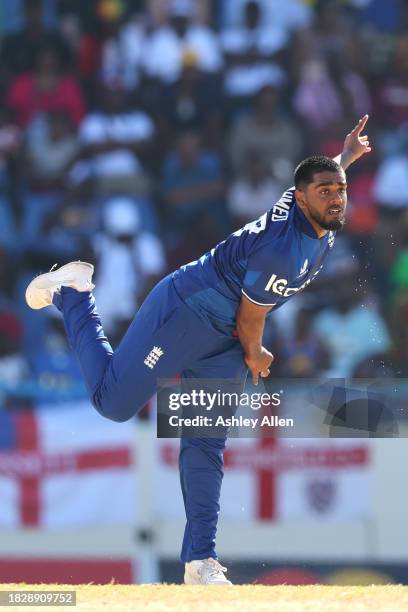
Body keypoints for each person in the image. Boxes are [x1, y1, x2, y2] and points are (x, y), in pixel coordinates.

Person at [25, 116, 371, 585]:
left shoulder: (311, 209)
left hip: (222, 336)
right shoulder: (283, 248)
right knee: (113, 404)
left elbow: (320, 175)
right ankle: (73, 294)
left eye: (340, 189)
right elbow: (252, 319)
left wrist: (345, 156)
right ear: (303, 196)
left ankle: (200, 562)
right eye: (326, 191)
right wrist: (257, 354)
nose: (336, 197)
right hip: (188, 311)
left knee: (207, 441)